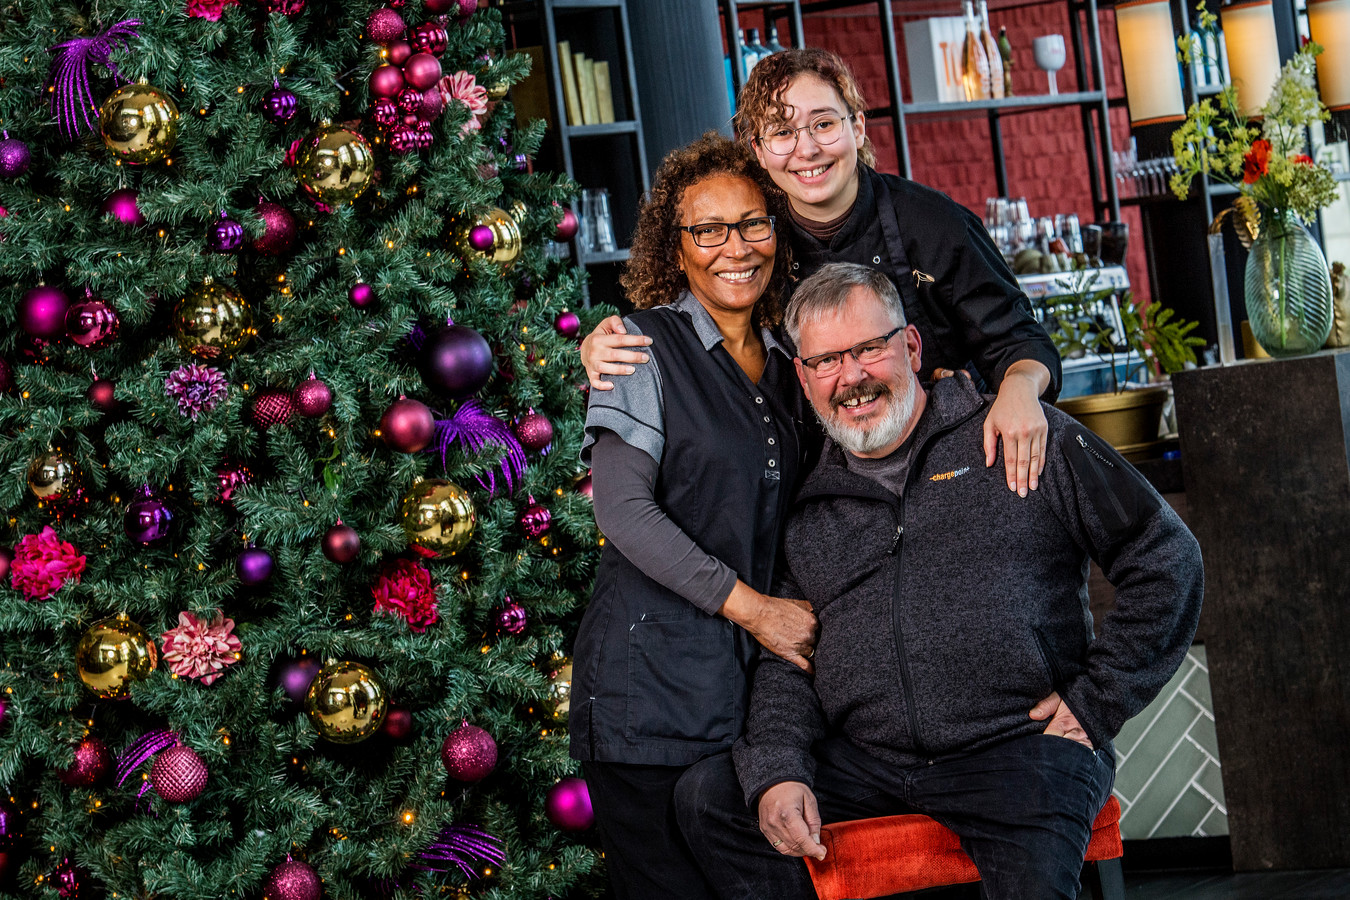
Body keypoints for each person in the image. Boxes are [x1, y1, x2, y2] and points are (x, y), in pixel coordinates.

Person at [675, 263, 1204, 900]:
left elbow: (1166, 556)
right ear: (803, 377)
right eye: (827, 360)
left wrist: (1098, 700)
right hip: (870, 761)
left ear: (912, 347)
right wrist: (779, 772)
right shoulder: (809, 504)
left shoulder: (1022, 436)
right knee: (711, 798)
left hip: (1016, 747)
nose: (852, 377)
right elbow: (791, 660)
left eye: (870, 347)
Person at [582, 48, 1060, 498]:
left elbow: (1022, 343)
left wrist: (1019, 387)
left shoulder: (934, 225)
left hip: (955, 462)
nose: (806, 150)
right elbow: (700, 315)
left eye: (824, 124)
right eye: (782, 133)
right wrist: (604, 343)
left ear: (858, 127)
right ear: (759, 150)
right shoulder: (759, 240)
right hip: (826, 487)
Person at [570, 134, 819, 900]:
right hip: (647, 695)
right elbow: (622, 511)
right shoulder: (638, 349)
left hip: (742, 702)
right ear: (676, 250)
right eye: (707, 231)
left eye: (751, 224)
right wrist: (756, 611)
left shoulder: (793, 364)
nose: (734, 248)